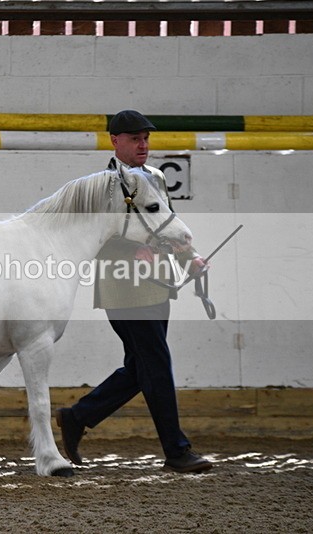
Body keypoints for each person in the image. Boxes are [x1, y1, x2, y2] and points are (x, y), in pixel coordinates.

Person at [55, 110, 212, 473]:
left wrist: (191, 259)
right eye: (134, 139)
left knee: (141, 367)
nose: (143, 145)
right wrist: (129, 250)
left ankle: (78, 416)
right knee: (155, 365)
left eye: (146, 138)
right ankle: (176, 451)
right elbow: (91, 237)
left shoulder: (155, 177)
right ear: (114, 141)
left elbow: (167, 225)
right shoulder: (103, 185)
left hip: (157, 285)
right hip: (123, 287)